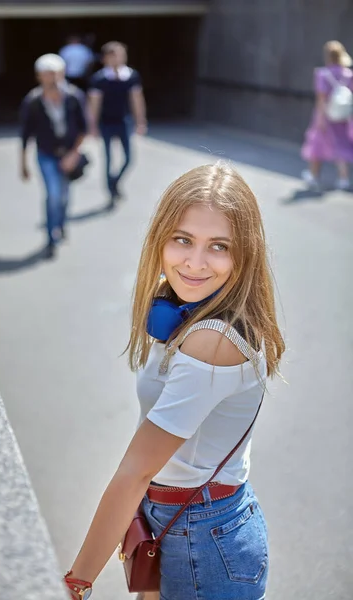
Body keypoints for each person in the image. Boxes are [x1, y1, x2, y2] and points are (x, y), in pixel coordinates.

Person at [63, 162, 285, 600]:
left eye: (218, 246)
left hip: (199, 533)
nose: (195, 263)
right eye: (183, 239)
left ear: (245, 253)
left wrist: (77, 581)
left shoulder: (212, 339)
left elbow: (136, 471)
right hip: (190, 518)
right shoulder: (195, 307)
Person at [20, 54, 87, 258]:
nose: (53, 78)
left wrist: (74, 154)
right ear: (39, 76)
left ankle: (61, 224)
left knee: (65, 195)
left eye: (56, 73)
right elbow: (25, 135)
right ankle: (51, 237)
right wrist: (23, 164)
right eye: (48, 74)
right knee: (53, 194)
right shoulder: (33, 101)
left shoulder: (74, 96)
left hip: (68, 153)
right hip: (46, 154)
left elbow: (83, 127)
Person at [88, 41, 147, 208]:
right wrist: (92, 125)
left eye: (121, 55)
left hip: (124, 121)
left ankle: (115, 181)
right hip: (106, 122)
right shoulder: (99, 79)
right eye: (114, 55)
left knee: (128, 158)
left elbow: (136, 99)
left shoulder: (131, 76)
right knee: (108, 159)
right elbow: (94, 103)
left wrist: (140, 120)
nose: (118, 59)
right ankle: (110, 190)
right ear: (106, 58)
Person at [301, 40, 353, 191]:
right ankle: (343, 178)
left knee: (317, 145)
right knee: (341, 144)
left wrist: (320, 120)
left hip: (326, 115)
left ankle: (313, 175)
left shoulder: (322, 73)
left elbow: (321, 98)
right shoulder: (348, 74)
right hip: (343, 116)